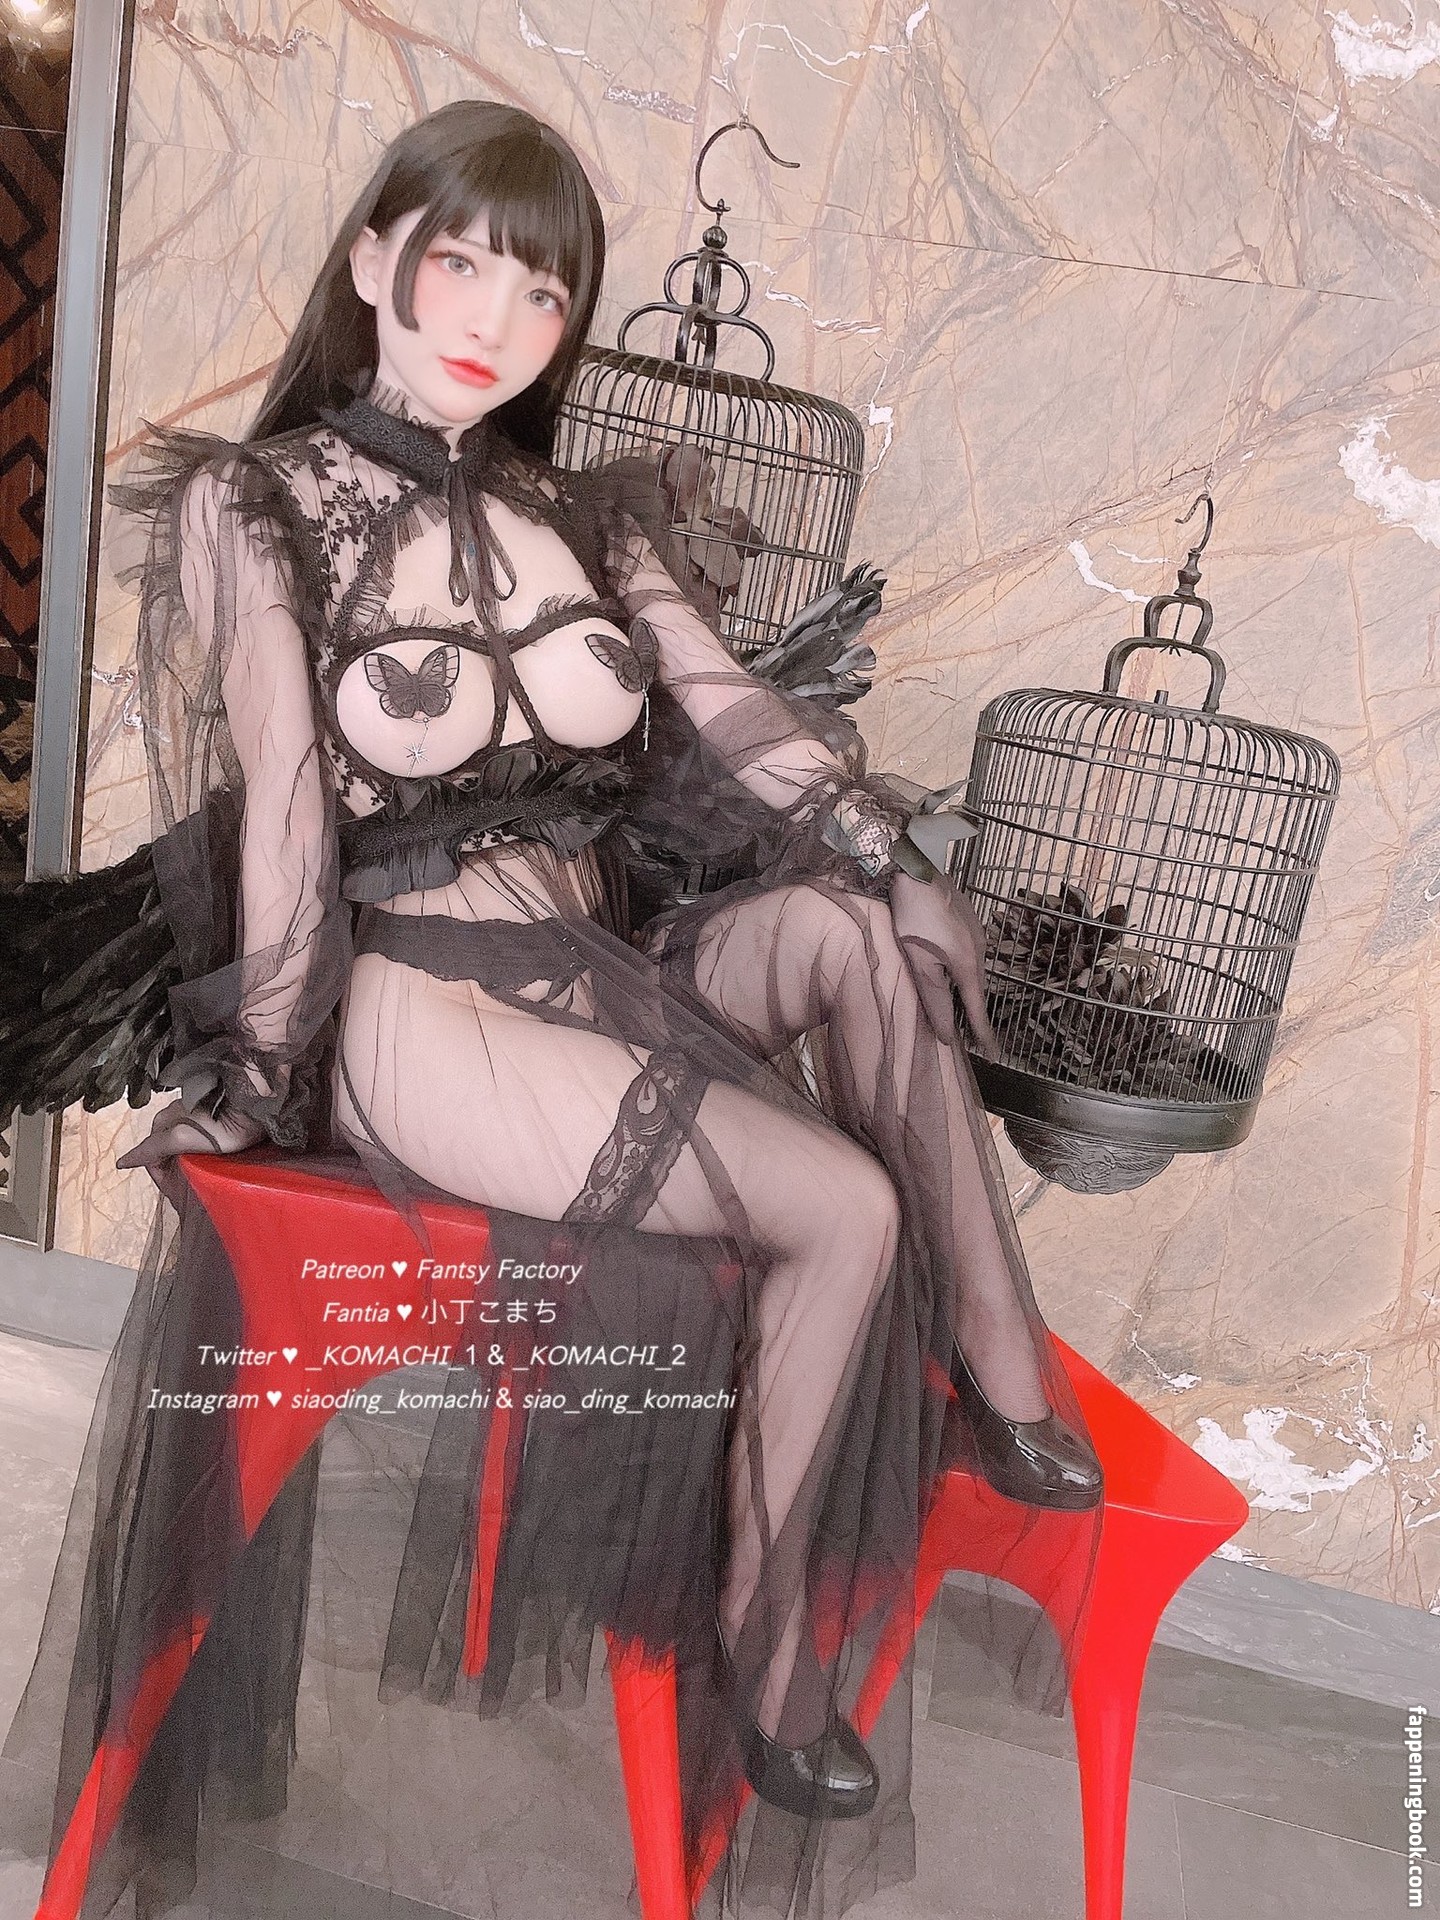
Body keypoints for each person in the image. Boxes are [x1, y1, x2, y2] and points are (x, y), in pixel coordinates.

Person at [4, 100, 1101, 1919]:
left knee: (856, 934)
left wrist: (895, 854)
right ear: (375, 261)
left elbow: (733, 714)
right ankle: (761, 1633)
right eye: (459, 263)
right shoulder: (258, 506)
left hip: (607, 971)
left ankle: (1000, 1371)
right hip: (423, 1012)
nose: (493, 321)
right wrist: (260, 1066)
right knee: (843, 1206)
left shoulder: (576, 507)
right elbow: (287, 813)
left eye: (540, 292)